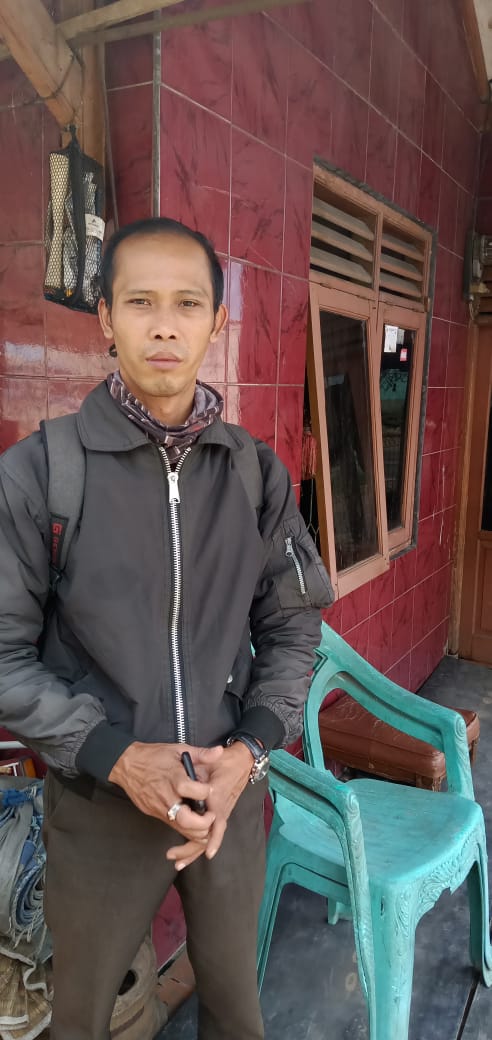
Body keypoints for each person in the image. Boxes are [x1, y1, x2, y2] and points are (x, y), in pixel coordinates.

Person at [0, 217, 333, 1040]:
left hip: (226, 794)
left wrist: (251, 749)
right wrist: (118, 758)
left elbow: (293, 627)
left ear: (217, 321)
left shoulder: (254, 474)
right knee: (82, 1018)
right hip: (99, 801)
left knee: (236, 1011)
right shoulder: (42, 474)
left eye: (187, 304)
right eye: (140, 301)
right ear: (106, 318)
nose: (164, 326)